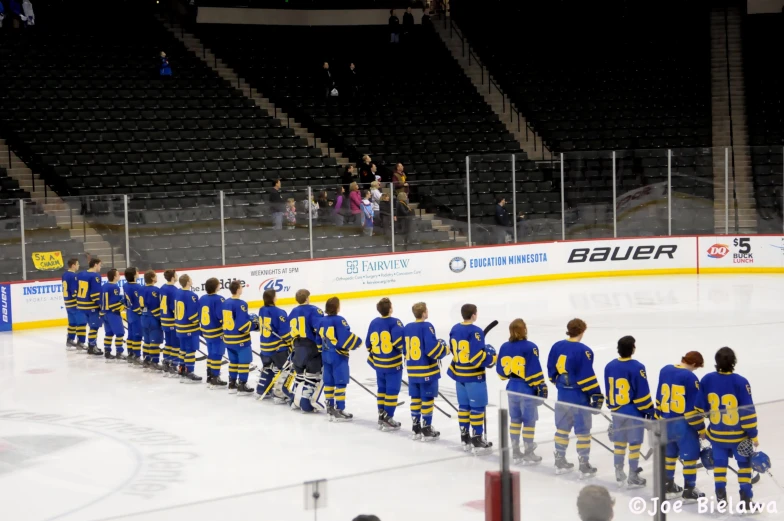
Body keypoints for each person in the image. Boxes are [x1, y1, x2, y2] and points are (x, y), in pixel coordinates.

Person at [696, 347, 760, 508]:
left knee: (719, 465)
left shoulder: (707, 379)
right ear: (734, 362)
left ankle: (721, 497)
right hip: (738, 437)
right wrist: (753, 435)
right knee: (744, 466)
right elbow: (747, 413)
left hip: (717, 435)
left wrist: (702, 429)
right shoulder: (741, 382)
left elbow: (700, 409)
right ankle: (746, 500)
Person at [546, 318, 602, 477]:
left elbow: (551, 370)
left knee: (562, 429)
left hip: (563, 395)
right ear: (582, 331)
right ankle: (584, 463)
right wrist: (596, 395)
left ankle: (559, 459)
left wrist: (560, 383)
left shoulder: (557, 346)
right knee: (583, 431)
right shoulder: (584, 350)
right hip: (579, 397)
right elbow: (586, 376)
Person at [603, 336, 655, 488]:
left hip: (617, 410)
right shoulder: (637, 367)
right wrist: (649, 410)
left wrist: (612, 406)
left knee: (619, 444)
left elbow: (608, 389)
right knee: (634, 445)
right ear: (633, 348)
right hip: (633, 412)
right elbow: (642, 393)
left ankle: (619, 472)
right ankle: (633, 475)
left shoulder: (609, 366)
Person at [656, 351, 707, 500]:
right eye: (696, 367)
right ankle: (689, 489)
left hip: (665, 422)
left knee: (670, 455)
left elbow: (659, 397)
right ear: (693, 364)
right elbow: (692, 409)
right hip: (683, 425)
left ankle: (668, 484)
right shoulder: (690, 377)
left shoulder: (665, 370)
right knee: (690, 458)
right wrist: (701, 428)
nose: (695, 370)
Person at [496, 319, 546, 464]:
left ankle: (516, 452)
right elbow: (534, 370)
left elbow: (501, 374)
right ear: (524, 330)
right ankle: (529, 452)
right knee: (529, 421)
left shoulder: (505, 346)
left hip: (512, 388)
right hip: (526, 388)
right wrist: (540, 386)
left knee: (515, 420)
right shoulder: (530, 347)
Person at [448, 304, 496, 454]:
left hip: (459, 375)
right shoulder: (476, 331)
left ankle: (464, 437)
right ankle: (476, 437)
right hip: (473, 377)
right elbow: (476, 358)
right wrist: (491, 358)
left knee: (463, 407)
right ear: (474, 315)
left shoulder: (455, 328)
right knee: (477, 408)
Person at [403, 302, 448, 441]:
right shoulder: (427, 326)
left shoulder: (408, 327)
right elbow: (431, 349)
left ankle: (416, 428)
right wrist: (444, 350)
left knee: (415, 399)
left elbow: (405, 349)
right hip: (426, 370)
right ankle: (426, 429)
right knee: (427, 399)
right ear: (423, 313)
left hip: (412, 370)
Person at [320, 296, 362, 422]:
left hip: (325, 353)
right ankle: (339, 409)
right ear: (337, 307)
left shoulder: (322, 320)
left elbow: (319, 338)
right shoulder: (339, 320)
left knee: (328, 382)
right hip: (337, 355)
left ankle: (330, 408)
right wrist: (357, 342)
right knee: (340, 383)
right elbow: (345, 338)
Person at [366, 298, 405, 431]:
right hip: (393, 365)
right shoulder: (395, 322)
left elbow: (368, 344)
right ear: (390, 309)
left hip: (379, 365)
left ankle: (381, 416)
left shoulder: (374, 322)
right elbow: (400, 343)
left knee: (381, 390)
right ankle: (388, 418)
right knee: (392, 391)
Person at [287, 289, 325, 413]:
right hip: (311, 347)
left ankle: (295, 401)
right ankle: (306, 405)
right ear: (307, 298)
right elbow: (321, 328)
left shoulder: (293, 311)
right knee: (312, 376)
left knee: (299, 375)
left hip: (297, 347)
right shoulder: (314, 310)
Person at [256, 288, 293, 403]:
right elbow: (285, 333)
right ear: (273, 298)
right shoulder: (279, 312)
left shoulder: (261, 310)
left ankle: (262, 389)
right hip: (277, 349)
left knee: (268, 367)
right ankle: (279, 393)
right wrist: (291, 344)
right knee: (287, 368)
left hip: (264, 347)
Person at [222, 280, 256, 395]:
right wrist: (254, 325)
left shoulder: (226, 302)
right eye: (241, 287)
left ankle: (232, 384)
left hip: (228, 338)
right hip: (240, 340)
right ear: (237, 290)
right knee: (244, 362)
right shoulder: (241, 304)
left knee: (233, 362)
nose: (242, 288)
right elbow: (243, 326)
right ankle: (242, 385)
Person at [198, 277, 226, 388]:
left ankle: (209, 375)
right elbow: (221, 316)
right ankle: (215, 376)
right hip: (216, 332)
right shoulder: (219, 299)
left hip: (205, 331)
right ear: (216, 287)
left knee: (210, 353)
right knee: (217, 354)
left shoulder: (202, 298)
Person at [175, 274, 202, 383]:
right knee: (191, 350)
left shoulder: (178, 292)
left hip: (179, 327)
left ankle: (181, 368)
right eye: (190, 279)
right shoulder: (191, 295)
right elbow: (192, 315)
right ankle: (189, 370)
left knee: (183, 349)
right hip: (189, 328)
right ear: (188, 282)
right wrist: (200, 321)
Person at [76, 258, 103, 356]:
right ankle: (92, 346)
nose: (100, 267)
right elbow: (95, 294)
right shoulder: (95, 276)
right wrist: (102, 305)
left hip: (81, 305)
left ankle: (90, 344)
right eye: (100, 265)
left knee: (90, 325)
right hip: (91, 305)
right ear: (95, 265)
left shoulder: (81, 274)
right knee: (94, 326)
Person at [100, 268, 125, 362]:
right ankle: (119, 352)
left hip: (104, 313)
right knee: (120, 333)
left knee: (109, 333)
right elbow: (113, 305)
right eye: (118, 274)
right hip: (112, 313)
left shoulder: (104, 286)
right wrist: (123, 304)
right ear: (114, 276)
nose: (119, 276)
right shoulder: (114, 287)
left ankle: (107, 351)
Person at [159, 269, 181, 376]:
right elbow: (174, 307)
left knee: (168, 343)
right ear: (173, 277)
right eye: (176, 275)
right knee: (175, 344)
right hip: (172, 320)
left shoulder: (162, 288)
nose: (177, 276)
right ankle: (174, 363)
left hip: (164, 319)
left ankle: (166, 361)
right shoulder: (174, 290)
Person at [141, 270, 164, 371]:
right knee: (155, 342)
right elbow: (154, 306)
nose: (157, 277)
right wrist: (161, 318)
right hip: (152, 318)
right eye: (155, 276)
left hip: (144, 317)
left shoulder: (141, 289)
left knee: (147, 341)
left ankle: (146, 359)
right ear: (152, 278)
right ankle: (154, 361)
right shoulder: (155, 290)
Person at [62, 257, 86, 350]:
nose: (78, 265)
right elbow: (74, 290)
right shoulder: (73, 276)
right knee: (81, 322)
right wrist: (80, 301)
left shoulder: (65, 274)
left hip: (67, 302)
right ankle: (81, 342)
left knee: (72, 322)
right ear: (73, 265)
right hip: (74, 303)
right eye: (77, 264)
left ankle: (70, 339)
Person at [123, 267, 143, 364]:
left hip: (129, 312)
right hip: (136, 313)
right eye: (137, 272)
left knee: (130, 333)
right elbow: (137, 303)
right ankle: (137, 354)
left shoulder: (125, 285)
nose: (138, 273)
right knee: (137, 335)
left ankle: (130, 352)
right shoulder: (137, 287)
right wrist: (141, 313)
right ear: (134, 275)